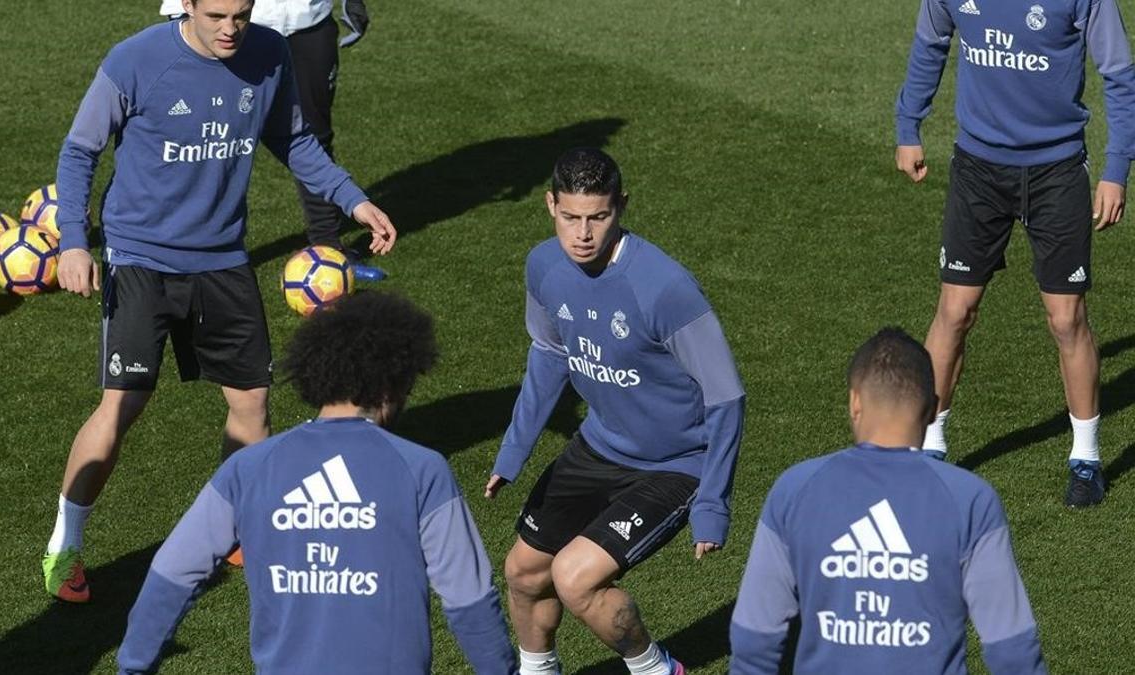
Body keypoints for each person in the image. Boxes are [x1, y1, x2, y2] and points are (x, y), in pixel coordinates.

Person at [43, 0, 398, 603]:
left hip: (222, 259)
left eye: (241, 12)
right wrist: (75, 244)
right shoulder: (136, 60)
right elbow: (80, 151)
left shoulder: (268, 52)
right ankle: (66, 543)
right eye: (215, 15)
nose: (230, 28)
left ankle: (235, 528)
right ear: (186, 4)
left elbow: (294, 140)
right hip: (141, 258)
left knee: (253, 405)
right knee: (123, 404)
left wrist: (353, 200)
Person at [116, 291, 517, 674]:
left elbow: (173, 573)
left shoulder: (249, 468)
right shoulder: (422, 469)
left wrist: (133, 667)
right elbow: (469, 598)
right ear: (390, 385)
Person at [485, 148, 747, 675]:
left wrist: (713, 503)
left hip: (674, 463)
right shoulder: (543, 266)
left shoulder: (665, 288)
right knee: (524, 572)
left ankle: (656, 669)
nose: (583, 233)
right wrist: (512, 451)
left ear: (621, 207)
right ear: (550, 206)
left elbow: (726, 396)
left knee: (575, 577)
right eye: (571, 217)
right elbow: (550, 355)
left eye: (598, 217)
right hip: (598, 445)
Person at [894, 0, 1134, 506]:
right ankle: (929, 447)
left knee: (1067, 319)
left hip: (1058, 172)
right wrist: (908, 124)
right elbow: (930, 44)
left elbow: (1119, 73)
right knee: (955, 311)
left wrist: (1115, 169)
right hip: (978, 171)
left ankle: (1086, 459)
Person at [729, 328, 1046, 674]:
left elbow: (754, 640)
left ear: (854, 402)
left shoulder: (794, 490)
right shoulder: (970, 500)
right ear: (933, 409)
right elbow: (1012, 651)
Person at [158, 0, 381, 278]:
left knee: (310, 135)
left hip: (308, 20)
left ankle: (329, 249)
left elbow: (298, 142)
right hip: (234, 25)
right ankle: (184, 251)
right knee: (205, 141)